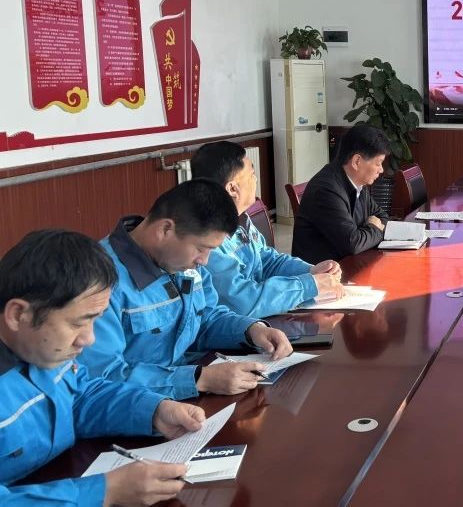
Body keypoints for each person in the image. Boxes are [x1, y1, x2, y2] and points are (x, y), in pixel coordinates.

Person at [0, 229, 207, 506]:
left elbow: (81, 396)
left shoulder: (41, 349)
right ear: (18, 315)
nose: (89, 339)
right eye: (77, 323)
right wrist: (103, 492)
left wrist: (153, 411)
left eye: (94, 320)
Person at [80, 180, 294, 401]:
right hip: (137, 408)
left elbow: (205, 318)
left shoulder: (180, 262)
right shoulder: (98, 281)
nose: (204, 261)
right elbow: (100, 377)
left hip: (187, 396)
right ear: (165, 229)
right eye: (201, 248)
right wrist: (198, 379)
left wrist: (250, 330)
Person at [191, 140, 346, 317]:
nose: (256, 179)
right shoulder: (207, 239)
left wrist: (310, 271)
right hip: (238, 325)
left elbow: (267, 260)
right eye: (252, 174)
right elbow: (243, 302)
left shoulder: (241, 218)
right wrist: (308, 285)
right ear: (233, 188)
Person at [292, 124, 392, 264]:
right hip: (321, 273)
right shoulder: (326, 190)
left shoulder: (357, 182)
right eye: (378, 163)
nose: (381, 170)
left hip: (348, 263)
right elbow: (353, 244)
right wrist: (375, 228)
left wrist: (369, 231)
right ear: (357, 161)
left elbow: (382, 216)